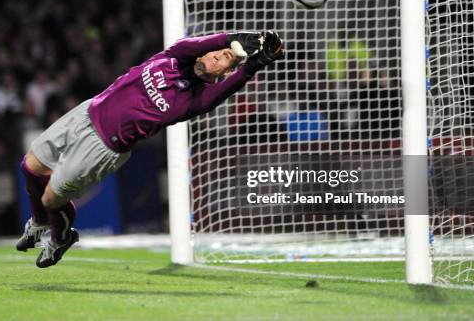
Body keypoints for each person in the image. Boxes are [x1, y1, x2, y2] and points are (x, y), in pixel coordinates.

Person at [17, 31, 284, 268]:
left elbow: (227, 89)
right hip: (87, 111)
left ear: (225, 72)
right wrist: (232, 39)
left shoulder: (197, 100)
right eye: (215, 51)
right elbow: (194, 44)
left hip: (104, 146)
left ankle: (62, 237)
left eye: (224, 58)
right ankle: (40, 222)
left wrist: (252, 67)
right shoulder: (172, 57)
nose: (215, 57)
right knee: (30, 166)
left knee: (52, 198)